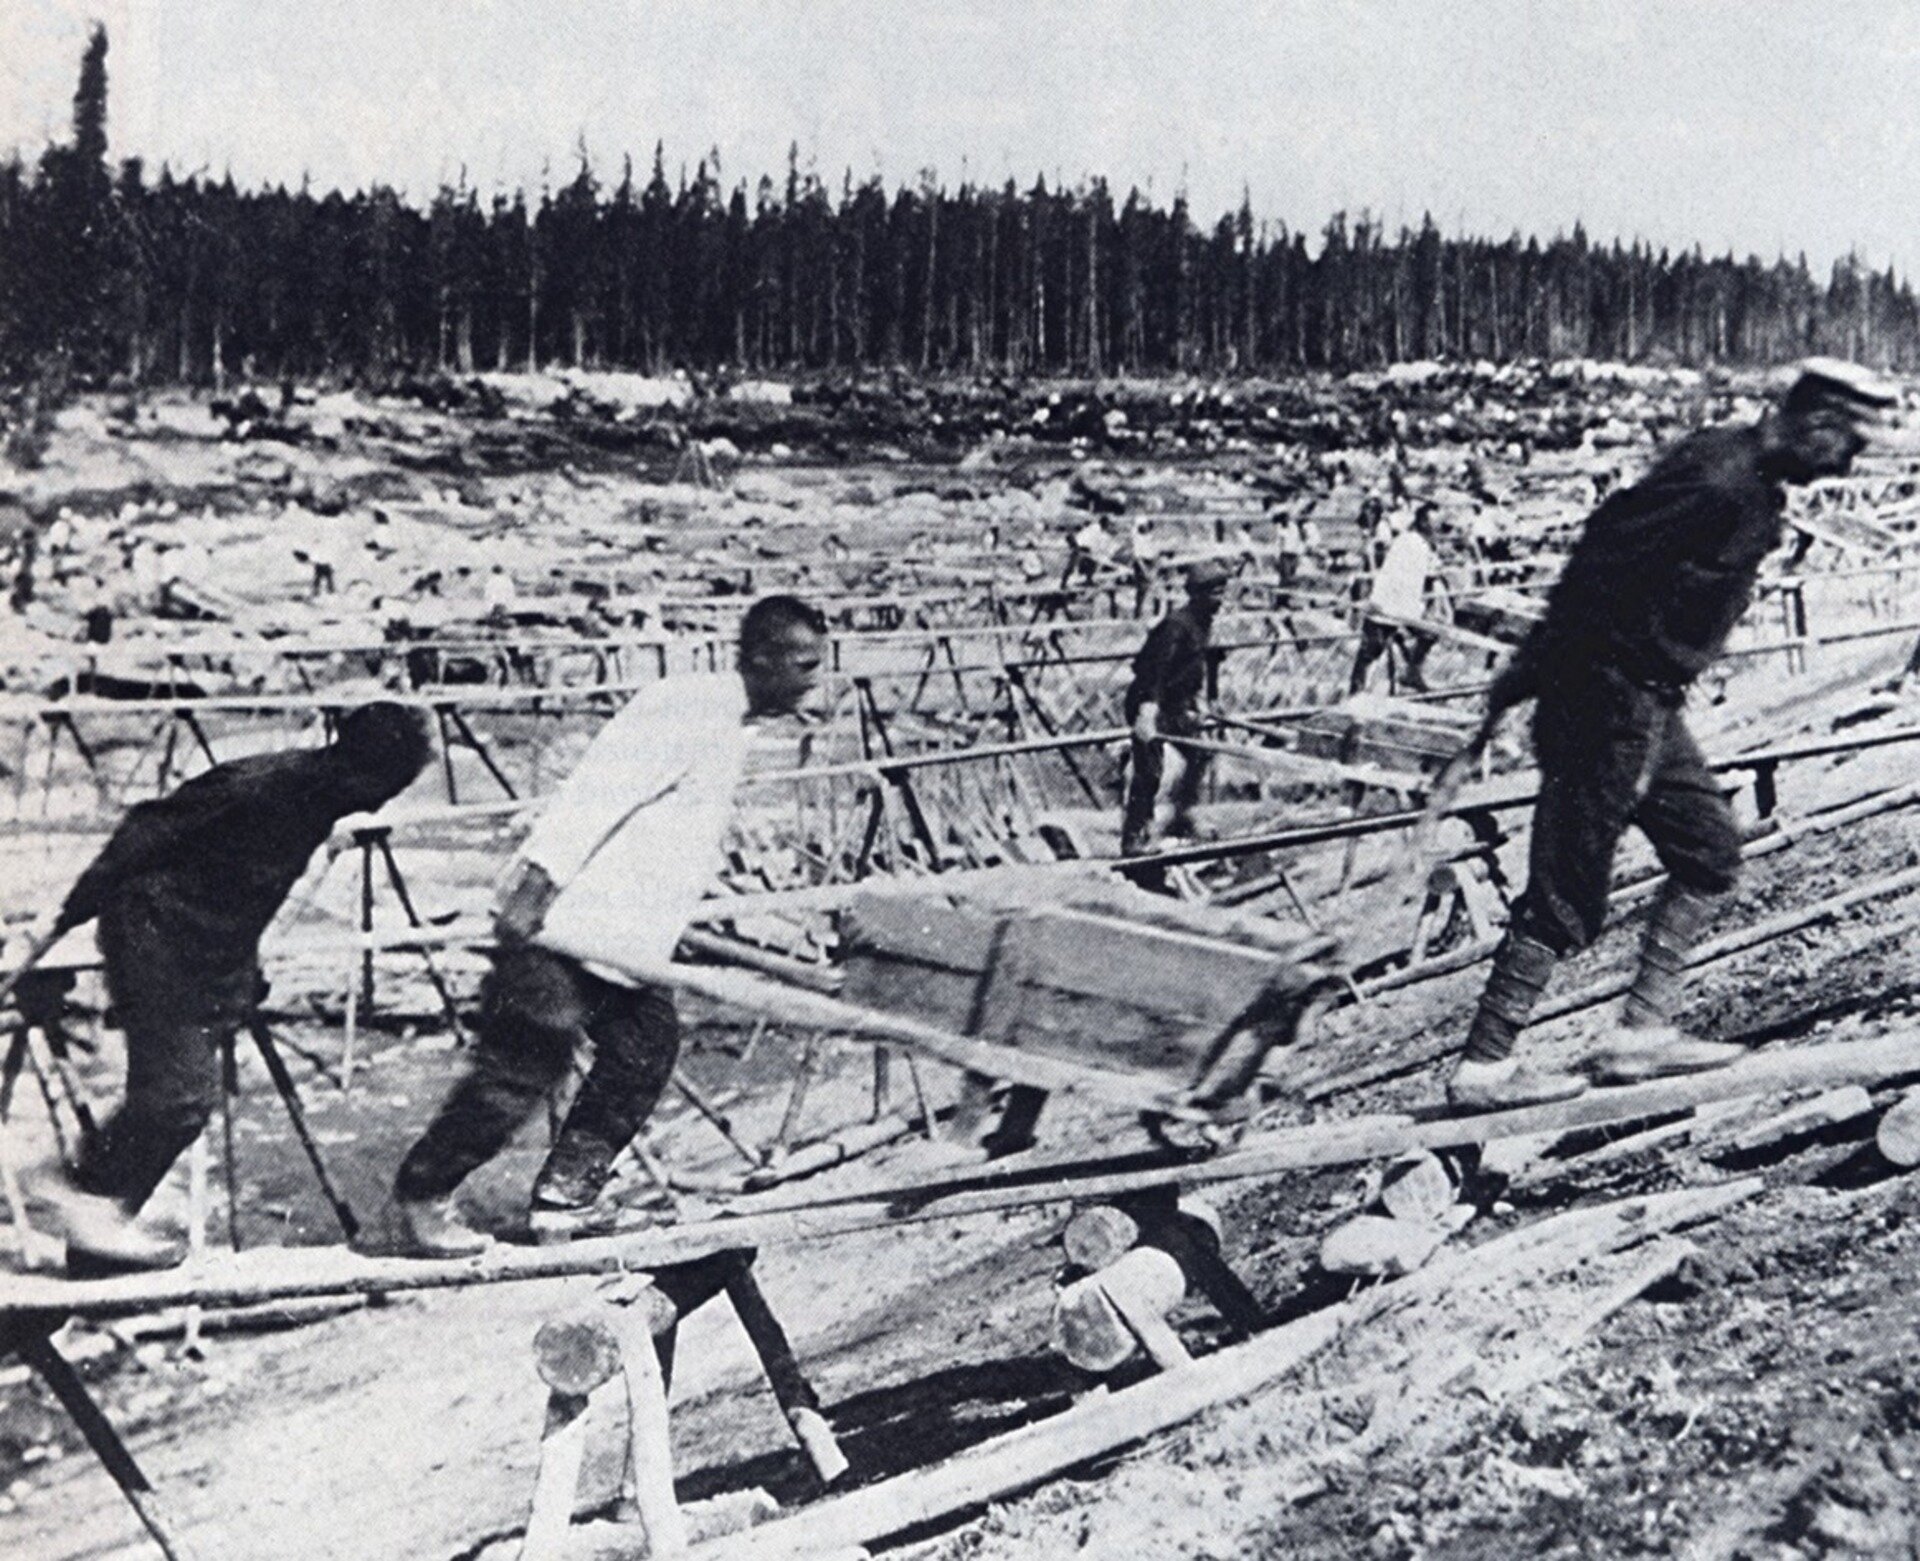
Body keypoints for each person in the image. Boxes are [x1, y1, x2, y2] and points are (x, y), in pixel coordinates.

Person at [1432, 360, 1900, 1111]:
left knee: (1707, 849)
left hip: (1650, 703)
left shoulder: (1752, 483)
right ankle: (1484, 1069)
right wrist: (1527, 676)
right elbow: (1599, 564)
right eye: (1849, 445)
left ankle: (1640, 1034)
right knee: (1568, 887)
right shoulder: (1717, 479)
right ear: (1818, 423)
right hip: (1602, 698)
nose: (1847, 465)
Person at [392, 595, 828, 1254]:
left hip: (619, 941)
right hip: (562, 928)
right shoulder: (687, 707)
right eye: (804, 664)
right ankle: (423, 1193)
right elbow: (596, 793)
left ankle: (564, 1201)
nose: (812, 681)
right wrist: (537, 882)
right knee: (521, 1072)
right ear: (763, 657)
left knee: (645, 1047)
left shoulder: (731, 724)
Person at [26, 703, 433, 1272]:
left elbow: (245, 884)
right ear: (368, 772)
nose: (385, 802)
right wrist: (67, 916)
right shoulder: (264, 784)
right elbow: (144, 831)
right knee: (179, 1099)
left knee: (182, 1100)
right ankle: (78, 1190)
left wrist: (241, 969)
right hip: (155, 933)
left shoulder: (319, 799)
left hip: (208, 946)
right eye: (392, 786)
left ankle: (94, 1241)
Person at [1119, 557, 1231, 856]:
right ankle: (1135, 835)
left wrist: (1207, 700)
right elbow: (1151, 671)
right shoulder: (1175, 625)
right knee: (1149, 771)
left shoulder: (1204, 623)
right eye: (1214, 594)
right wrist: (1147, 713)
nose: (1220, 600)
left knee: (1200, 753)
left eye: (1222, 593)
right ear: (1197, 594)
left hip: (1176, 704)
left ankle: (1182, 815)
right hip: (1149, 702)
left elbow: (1205, 663)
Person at [1350, 502, 1448, 695]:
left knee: (1431, 632)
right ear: (1423, 522)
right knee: (1370, 652)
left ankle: (1412, 672)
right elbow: (1404, 577)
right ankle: (1355, 693)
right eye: (1435, 522)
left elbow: (1427, 576)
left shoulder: (1422, 544)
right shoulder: (1409, 542)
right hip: (1386, 605)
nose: (1438, 527)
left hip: (1404, 607)